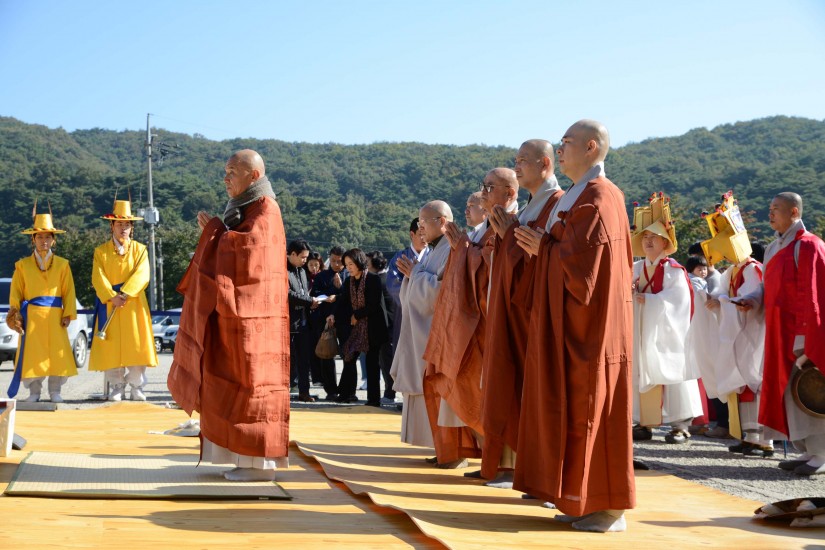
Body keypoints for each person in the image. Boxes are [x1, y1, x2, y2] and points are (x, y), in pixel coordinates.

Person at [512, 120, 634, 533]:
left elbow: (586, 267)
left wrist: (544, 247)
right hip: (570, 323)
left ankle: (607, 506)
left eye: (566, 143)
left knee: (591, 408)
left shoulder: (601, 196)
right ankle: (580, 500)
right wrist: (542, 246)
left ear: (591, 147)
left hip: (591, 328)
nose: (561, 150)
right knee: (573, 411)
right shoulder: (581, 194)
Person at [168, 149, 290, 481]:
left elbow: (248, 255)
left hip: (254, 320)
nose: (226, 178)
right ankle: (240, 459)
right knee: (225, 381)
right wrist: (217, 231)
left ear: (254, 176)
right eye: (225, 171)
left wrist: (215, 232)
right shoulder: (246, 208)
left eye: (232, 171)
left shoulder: (266, 209)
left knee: (251, 384)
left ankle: (258, 465)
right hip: (235, 316)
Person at [422, 170, 519, 472]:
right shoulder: (483, 230)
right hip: (472, 324)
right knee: (466, 386)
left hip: (490, 323)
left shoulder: (511, 222)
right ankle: (488, 458)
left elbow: (493, 265)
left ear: (510, 193)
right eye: (483, 188)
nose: (484, 193)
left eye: (489, 188)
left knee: (491, 392)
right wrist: (462, 249)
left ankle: (503, 465)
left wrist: (464, 249)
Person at [479, 140, 563, 486]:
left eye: (523, 161)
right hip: (511, 310)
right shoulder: (532, 207)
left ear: (545, 163)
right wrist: (506, 237)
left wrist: (509, 236)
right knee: (507, 383)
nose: (517, 166)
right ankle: (510, 464)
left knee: (523, 386)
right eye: (515, 161)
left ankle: (525, 468)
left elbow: (548, 259)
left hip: (530, 314)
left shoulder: (557, 203)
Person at [738, 192, 825, 476]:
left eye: (776, 208)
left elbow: (813, 294)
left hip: (802, 331)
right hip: (778, 330)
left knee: (810, 390)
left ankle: (822, 454)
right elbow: (767, 287)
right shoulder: (774, 247)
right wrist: (751, 299)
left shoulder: (809, 245)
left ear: (794, 212)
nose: (771, 213)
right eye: (770, 208)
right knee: (789, 392)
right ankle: (808, 450)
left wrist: (805, 339)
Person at [630, 193, 704, 445]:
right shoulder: (636, 268)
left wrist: (651, 301)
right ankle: (644, 421)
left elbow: (679, 300)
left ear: (665, 242)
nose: (648, 241)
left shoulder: (673, 270)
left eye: (654, 237)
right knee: (642, 369)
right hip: (642, 330)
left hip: (668, 333)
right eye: (645, 237)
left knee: (673, 373)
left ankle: (680, 425)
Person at [699, 192, 770, 456]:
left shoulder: (752, 268)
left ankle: (764, 440)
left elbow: (754, 295)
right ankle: (748, 436)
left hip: (750, 332)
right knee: (740, 385)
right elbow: (722, 292)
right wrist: (716, 300)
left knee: (754, 382)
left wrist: (732, 302)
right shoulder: (732, 271)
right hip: (735, 332)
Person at [390, 201, 453, 451]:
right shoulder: (431, 251)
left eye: (424, 222)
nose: (420, 227)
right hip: (419, 333)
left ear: (442, 221)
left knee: (436, 387)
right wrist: (413, 276)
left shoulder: (452, 249)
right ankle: (438, 447)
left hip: (435, 335)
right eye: (419, 222)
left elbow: (442, 292)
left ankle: (447, 449)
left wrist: (415, 274)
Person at [89, 198, 157, 401]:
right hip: (110, 303)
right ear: (112, 226)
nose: (123, 228)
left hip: (133, 302)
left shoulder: (140, 249)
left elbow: (143, 274)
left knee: (136, 345)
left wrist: (125, 293)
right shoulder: (100, 251)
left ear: (132, 227)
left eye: (127, 224)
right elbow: (97, 277)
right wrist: (112, 296)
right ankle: (117, 386)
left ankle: (137, 386)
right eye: (119, 224)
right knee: (111, 347)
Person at [6, 209, 77, 403]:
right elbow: (16, 292)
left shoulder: (62, 264)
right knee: (33, 354)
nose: (44, 241)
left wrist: (68, 313)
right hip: (32, 317)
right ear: (33, 239)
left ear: (53, 240)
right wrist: (15, 314)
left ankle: (55, 391)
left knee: (57, 354)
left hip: (55, 316)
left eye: (47, 237)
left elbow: (69, 291)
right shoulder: (22, 265)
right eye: (39, 237)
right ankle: (34, 392)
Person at [327, 248, 389, 406]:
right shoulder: (349, 281)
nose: (348, 267)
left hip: (373, 328)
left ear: (359, 262)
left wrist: (357, 315)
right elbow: (343, 301)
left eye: (351, 264)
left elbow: (374, 304)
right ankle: (345, 393)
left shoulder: (373, 279)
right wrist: (333, 314)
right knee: (349, 355)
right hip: (356, 328)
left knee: (372, 363)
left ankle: (373, 400)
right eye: (346, 264)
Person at [310, 245, 348, 400]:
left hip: (344, 319)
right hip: (325, 320)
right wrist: (331, 291)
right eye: (333, 261)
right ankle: (331, 390)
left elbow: (350, 297)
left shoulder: (349, 274)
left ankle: (346, 390)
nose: (336, 264)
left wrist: (340, 289)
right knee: (326, 355)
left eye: (339, 261)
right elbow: (315, 294)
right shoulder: (322, 276)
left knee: (347, 355)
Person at [387, 219, 429, 351]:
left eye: (426, 233)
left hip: (428, 315)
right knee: (405, 353)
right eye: (420, 234)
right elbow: (393, 286)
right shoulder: (400, 258)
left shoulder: (433, 255)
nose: (424, 238)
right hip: (405, 314)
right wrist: (419, 297)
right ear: (412, 234)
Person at [287, 239, 319, 402]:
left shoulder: (302, 271)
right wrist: (309, 301)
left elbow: (304, 293)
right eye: (303, 257)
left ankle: (304, 392)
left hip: (304, 322)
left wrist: (311, 301)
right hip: (289, 323)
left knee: (304, 359)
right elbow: (288, 294)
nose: (305, 260)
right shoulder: (282, 270)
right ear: (293, 254)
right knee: (288, 360)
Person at [367, 250, 397, 404]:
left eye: (367, 262)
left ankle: (390, 393)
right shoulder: (390, 277)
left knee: (386, 362)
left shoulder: (378, 280)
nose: (365, 265)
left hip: (385, 328)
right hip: (392, 326)